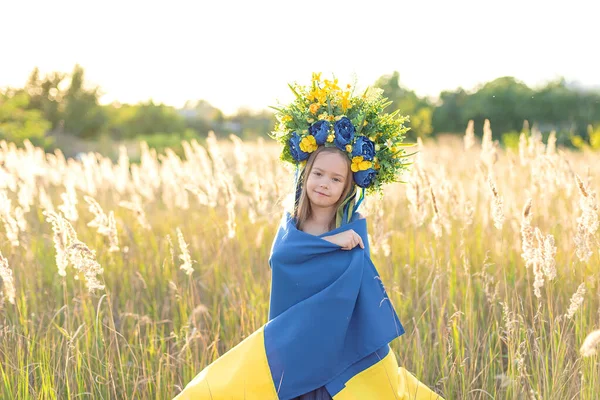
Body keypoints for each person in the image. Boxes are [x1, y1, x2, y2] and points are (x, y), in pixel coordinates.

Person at [173, 74, 443, 400]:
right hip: (294, 343)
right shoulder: (293, 226)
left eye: (335, 178)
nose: (323, 183)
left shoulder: (353, 228)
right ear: (305, 174)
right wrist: (329, 244)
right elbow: (283, 258)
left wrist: (340, 242)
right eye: (318, 173)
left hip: (334, 347)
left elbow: (355, 286)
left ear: (347, 187)